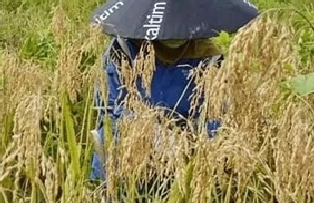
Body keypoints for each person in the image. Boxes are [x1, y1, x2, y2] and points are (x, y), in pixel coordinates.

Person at [89, 36, 223, 183]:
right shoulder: (122, 49)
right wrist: (150, 132)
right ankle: (103, 196)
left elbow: (216, 114)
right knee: (105, 137)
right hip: (134, 138)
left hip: (186, 145)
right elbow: (109, 108)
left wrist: (187, 140)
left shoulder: (208, 56)